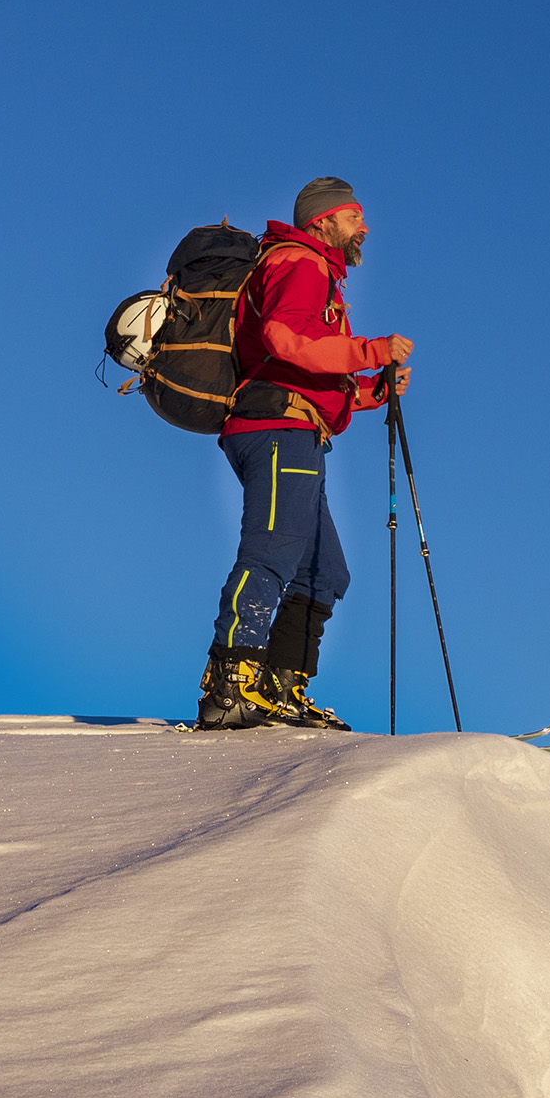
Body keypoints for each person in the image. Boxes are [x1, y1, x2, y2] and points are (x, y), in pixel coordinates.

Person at [196, 176, 415, 730]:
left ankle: (279, 686)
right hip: (275, 427)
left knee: (323, 571)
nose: (364, 227)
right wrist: (370, 351)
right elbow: (284, 339)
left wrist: (371, 392)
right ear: (322, 220)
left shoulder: (317, 273)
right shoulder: (300, 262)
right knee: (274, 550)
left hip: (296, 427)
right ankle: (231, 684)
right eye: (354, 216)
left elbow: (304, 367)